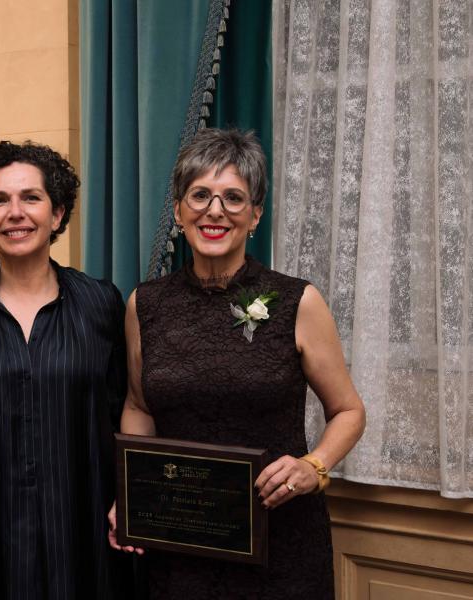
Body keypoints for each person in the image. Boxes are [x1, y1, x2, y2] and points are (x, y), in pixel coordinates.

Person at [108, 128, 366, 599]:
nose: (215, 210)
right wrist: (131, 491)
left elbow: (349, 411)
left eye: (233, 198)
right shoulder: (144, 304)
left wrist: (315, 467)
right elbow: (139, 405)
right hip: (178, 542)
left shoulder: (297, 301)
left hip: (280, 540)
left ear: (255, 215)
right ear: (180, 210)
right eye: (200, 195)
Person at [0, 141, 127, 599]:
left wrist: (130, 502)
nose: (15, 213)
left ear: (57, 214)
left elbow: (123, 411)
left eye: (31, 197)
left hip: (80, 532)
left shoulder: (101, 302)